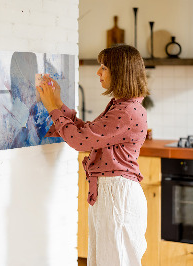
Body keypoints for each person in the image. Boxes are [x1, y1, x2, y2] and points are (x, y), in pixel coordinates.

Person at [37, 44, 149, 266]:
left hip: (117, 195)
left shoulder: (126, 111)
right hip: (112, 193)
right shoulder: (122, 106)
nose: (98, 72)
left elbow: (80, 141)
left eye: (104, 67)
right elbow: (88, 133)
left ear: (120, 72)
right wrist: (58, 103)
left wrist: (52, 108)